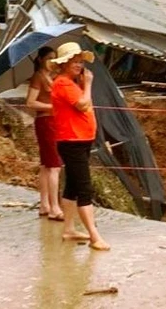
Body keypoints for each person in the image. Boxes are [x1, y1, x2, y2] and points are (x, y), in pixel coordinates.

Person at [49, 42, 110, 251]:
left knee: (73, 187)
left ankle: (69, 229)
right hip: (72, 141)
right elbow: (83, 104)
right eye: (74, 61)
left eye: (80, 61)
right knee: (85, 189)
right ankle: (94, 236)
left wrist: (83, 85)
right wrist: (89, 84)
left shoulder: (72, 84)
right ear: (64, 63)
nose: (78, 64)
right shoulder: (63, 84)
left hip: (80, 140)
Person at [25, 46, 63, 221]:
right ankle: (54, 206)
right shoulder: (38, 77)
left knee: (46, 165)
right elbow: (30, 103)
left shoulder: (53, 76)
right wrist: (51, 107)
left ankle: (45, 204)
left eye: (54, 58)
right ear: (40, 59)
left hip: (54, 122)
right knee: (54, 165)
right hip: (46, 121)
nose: (52, 61)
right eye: (49, 58)